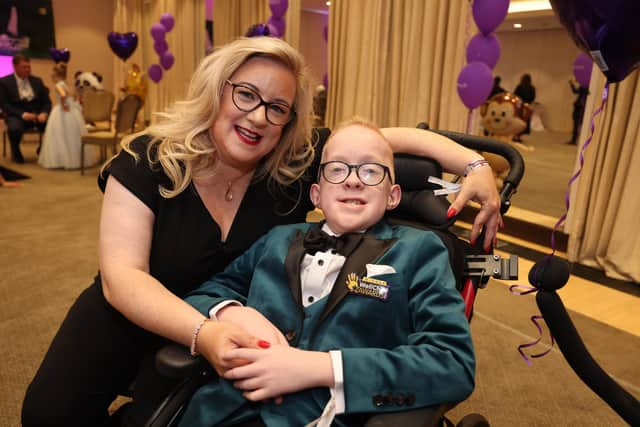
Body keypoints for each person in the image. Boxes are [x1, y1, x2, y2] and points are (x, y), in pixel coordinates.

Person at [21, 36, 499, 427]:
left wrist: (475, 165)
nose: (258, 116)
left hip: (241, 346)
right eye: (245, 94)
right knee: (49, 416)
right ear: (217, 89)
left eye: (277, 107)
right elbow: (122, 278)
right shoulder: (150, 159)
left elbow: (375, 141)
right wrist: (215, 324)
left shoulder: (289, 165)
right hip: (134, 307)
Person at [180, 119, 475, 427]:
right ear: (316, 194)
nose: (353, 181)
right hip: (223, 412)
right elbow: (204, 293)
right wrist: (231, 313)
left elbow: (453, 363)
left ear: (393, 195)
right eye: (337, 169)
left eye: (371, 171)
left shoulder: (420, 251)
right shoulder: (278, 239)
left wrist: (324, 368)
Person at [38, 62, 93, 169]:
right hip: (72, 111)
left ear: (55, 74)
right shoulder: (67, 84)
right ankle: (74, 159)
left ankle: (60, 160)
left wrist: (63, 105)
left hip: (61, 111)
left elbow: (63, 95)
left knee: (59, 136)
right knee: (71, 136)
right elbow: (75, 95)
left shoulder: (58, 85)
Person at [0, 53, 51, 163]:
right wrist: (23, 114)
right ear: (15, 66)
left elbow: (47, 103)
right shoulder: (4, 82)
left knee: (55, 123)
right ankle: (16, 151)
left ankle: (42, 149)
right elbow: (5, 105)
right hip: (17, 115)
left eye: (29, 66)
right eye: (24, 67)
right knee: (14, 128)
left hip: (37, 114)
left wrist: (44, 113)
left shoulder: (37, 81)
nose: (27, 70)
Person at [513, 73, 536, 142]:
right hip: (527, 106)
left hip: (520, 106)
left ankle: (516, 135)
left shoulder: (519, 87)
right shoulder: (532, 88)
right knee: (525, 121)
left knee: (518, 120)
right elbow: (533, 97)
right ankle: (519, 136)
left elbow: (515, 95)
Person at [567, 79, 588, 145]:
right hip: (581, 107)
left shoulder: (584, 86)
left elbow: (575, 91)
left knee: (577, 124)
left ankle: (574, 140)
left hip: (579, 107)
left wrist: (571, 84)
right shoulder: (587, 86)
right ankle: (575, 140)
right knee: (578, 124)